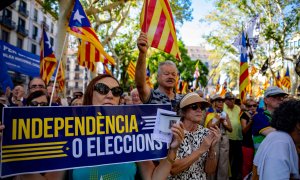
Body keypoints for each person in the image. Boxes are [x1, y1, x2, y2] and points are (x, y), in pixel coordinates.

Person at [72, 74, 185, 180]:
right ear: (90, 94)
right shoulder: (69, 134)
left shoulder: (132, 133)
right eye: (102, 89)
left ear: (119, 100)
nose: (110, 95)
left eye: (116, 92)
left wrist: (172, 151)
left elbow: (153, 178)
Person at [169, 92, 221, 180]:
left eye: (202, 107)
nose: (199, 110)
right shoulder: (175, 132)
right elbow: (173, 169)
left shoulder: (206, 133)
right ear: (183, 112)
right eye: (194, 107)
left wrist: (212, 149)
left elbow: (209, 170)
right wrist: (201, 150)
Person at [253, 99, 300, 179]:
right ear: (298, 125)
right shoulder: (280, 143)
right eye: (276, 97)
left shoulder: (280, 138)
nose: (280, 100)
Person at [136, 32, 181, 110]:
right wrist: (142, 53)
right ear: (158, 77)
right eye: (166, 74)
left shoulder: (183, 99)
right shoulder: (151, 95)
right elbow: (140, 85)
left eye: (174, 74)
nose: (170, 76)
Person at [252, 86, 288, 152]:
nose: (280, 99)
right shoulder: (259, 117)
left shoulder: (284, 116)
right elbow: (276, 135)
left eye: (282, 96)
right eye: (275, 96)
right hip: (263, 159)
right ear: (266, 100)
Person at [205, 94, 232, 180]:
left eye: (222, 101)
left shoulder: (225, 114)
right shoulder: (210, 114)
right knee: (213, 159)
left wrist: (224, 122)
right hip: (213, 138)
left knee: (223, 163)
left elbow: (231, 129)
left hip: (224, 139)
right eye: (218, 101)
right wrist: (217, 118)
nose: (221, 103)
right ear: (214, 103)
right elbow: (209, 127)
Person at [223, 92, 242, 180]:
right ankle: (228, 176)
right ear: (226, 100)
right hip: (228, 137)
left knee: (237, 158)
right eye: (229, 99)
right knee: (228, 158)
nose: (232, 101)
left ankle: (235, 175)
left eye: (233, 99)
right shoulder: (222, 107)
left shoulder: (238, 108)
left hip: (238, 137)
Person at [240, 99, 256, 178]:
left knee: (255, 164)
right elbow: (244, 130)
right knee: (247, 165)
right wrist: (250, 121)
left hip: (256, 144)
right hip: (247, 144)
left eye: (254, 105)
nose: (252, 107)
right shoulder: (244, 115)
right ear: (246, 107)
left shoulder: (258, 114)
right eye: (250, 106)